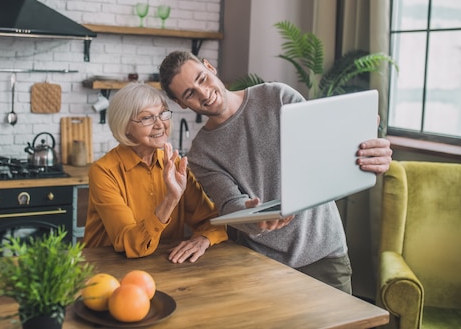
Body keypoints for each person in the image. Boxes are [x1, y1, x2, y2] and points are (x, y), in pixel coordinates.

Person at [158, 50, 393, 293]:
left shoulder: (277, 96)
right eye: (190, 94)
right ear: (181, 103)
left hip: (324, 253)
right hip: (263, 265)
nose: (204, 93)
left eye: (202, 79)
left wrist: (368, 158)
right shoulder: (201, 153)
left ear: (210, 67)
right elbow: (229, 204)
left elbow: (326, 151)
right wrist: (251, 215)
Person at [83, 82, 228, 264]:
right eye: (146, 118)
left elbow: (212, 221)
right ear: (125, 126)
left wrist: (203, 239)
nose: (160, 124)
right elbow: (131, 245)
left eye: (163, 114)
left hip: (163, 265)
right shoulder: (104, 171)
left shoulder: (175, 165)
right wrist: (170, 199)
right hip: (107, 269)